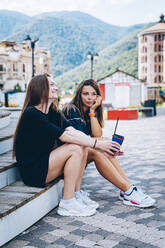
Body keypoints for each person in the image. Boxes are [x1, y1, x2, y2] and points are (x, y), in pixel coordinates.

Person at [12, 74, 119, 217]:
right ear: (40, 88)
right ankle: (67, 203)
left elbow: (72, 131)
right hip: (34, 172)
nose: (56, 87)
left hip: (47, 164)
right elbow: (65, 136)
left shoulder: (52, 112)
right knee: (75, 147)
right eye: (52, 85)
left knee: (83, 146)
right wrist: (98, 144)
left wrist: (102, 144)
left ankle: (75, 194)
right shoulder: (32, 113)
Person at [63, 79, 156, 208]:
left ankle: (128, 189)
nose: (90, 97)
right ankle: (128, 190)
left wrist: (92, 111)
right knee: (98, 149)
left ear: (98, 96)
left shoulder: (87, 111)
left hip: (78, 154)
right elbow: (81, 140)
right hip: (66, 157)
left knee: (103, 149)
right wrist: (105, 143)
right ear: (79, 94)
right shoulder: (71, 110)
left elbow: (97, 135)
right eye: (85, 94)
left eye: (93, 94)